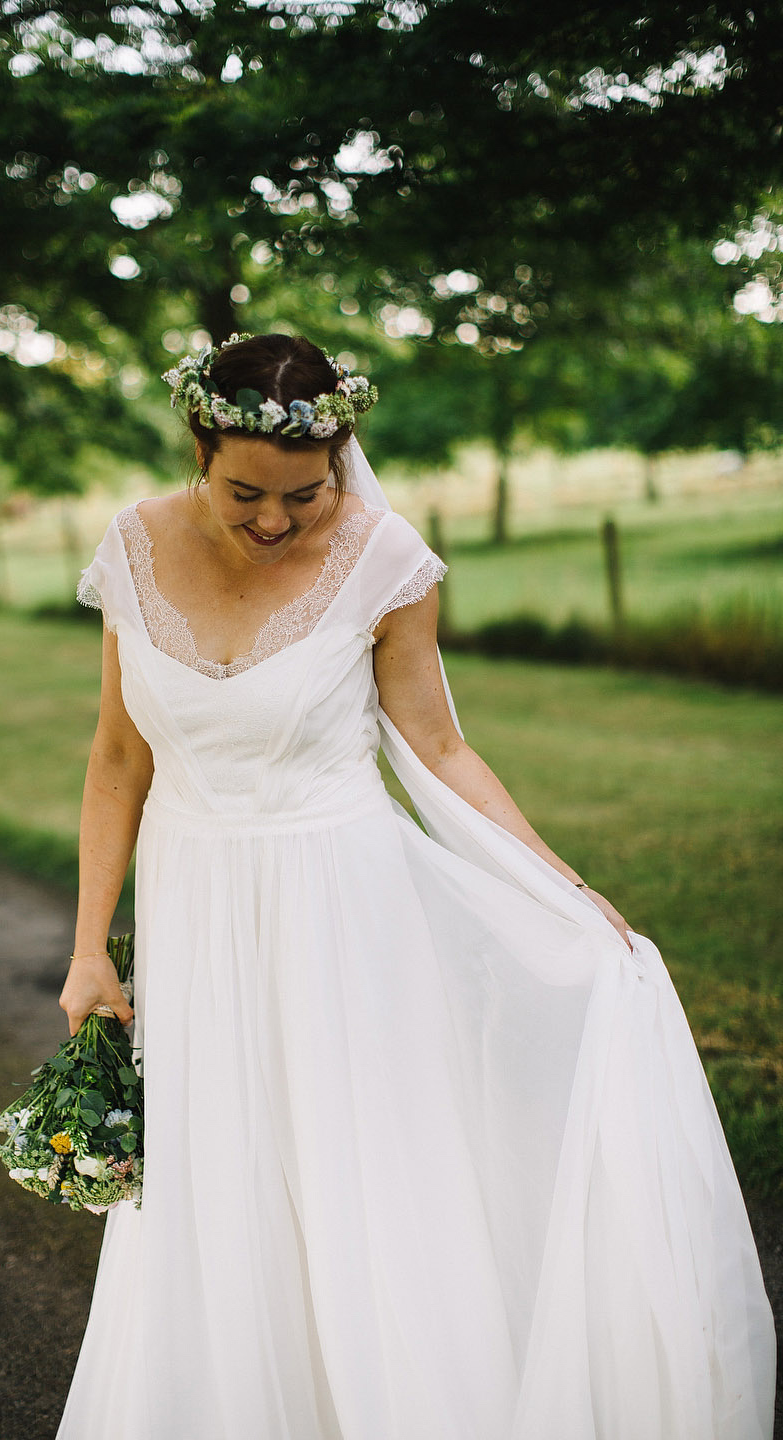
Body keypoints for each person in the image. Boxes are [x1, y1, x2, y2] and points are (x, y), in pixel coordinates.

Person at [56, 332, 775, 1440]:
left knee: (364, 1181)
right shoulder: (133, 549)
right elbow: (116, 758)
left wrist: (563, 886)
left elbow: (438, 749)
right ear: (199, 443)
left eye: (304, 494)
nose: (273, 521)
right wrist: (92, 947)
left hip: (344, 911)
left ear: (340, 460)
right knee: (221, 1190)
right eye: (245, 491)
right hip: (196, 905)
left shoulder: (383, 557)